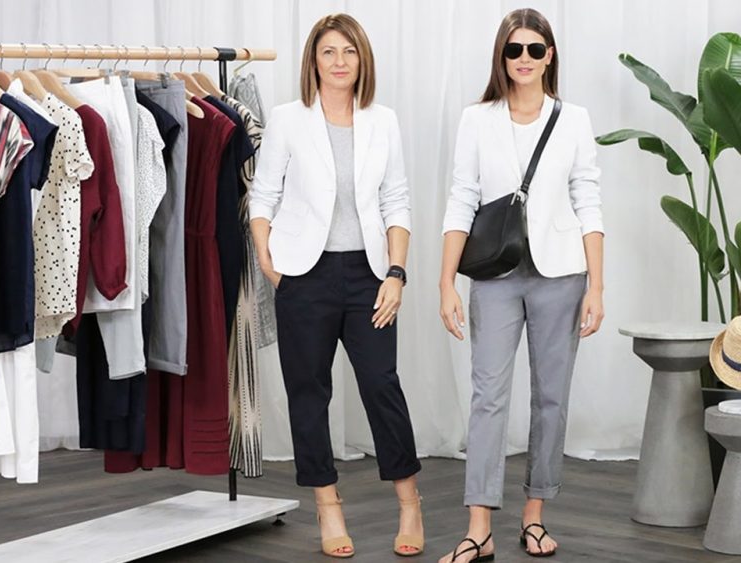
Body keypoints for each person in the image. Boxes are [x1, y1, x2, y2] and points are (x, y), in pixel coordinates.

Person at [249, 13, 424, 559]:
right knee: (308, 392)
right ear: (314, 61)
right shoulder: (287, 120)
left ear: (362, 59)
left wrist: (395, 273)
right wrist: (269, 263)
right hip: (305, 274)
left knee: (381, 385)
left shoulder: (383, 121)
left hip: (370, 274)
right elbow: (263, 197)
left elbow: (396, 200)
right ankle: (328, 505)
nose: (340, 61)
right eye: (329, 51)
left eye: (349, 51)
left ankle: (409, 501)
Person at [438, 8, 605, 561]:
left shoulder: (573, 119)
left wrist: (597, 286)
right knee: (488, 395)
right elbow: (462, 198)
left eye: (536, 49)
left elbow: (588, 200)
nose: (525, 58)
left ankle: (534, 516)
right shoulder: (477, 119)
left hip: (562, 275)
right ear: (502, 57)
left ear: (550, 55)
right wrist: (445, 282)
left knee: (551, 397)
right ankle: (479, 528)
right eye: (515, 50)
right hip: (495, 275)